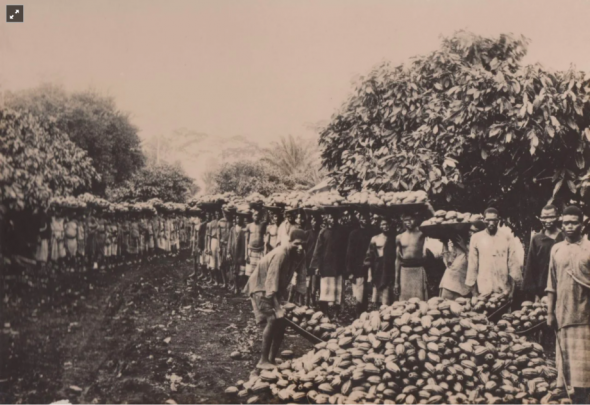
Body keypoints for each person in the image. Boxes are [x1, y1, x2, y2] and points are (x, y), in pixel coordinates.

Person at [244, 229, 307, 370]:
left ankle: (271, 359)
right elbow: (270, 282)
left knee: (282, 322)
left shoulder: (301, 253)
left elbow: (302, 277)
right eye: (297, 244)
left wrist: (301, 304)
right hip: (260, 286)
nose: (300, 247)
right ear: (289, 241)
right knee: (273, 319)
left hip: (276, 287)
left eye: (303, 244)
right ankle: (263, 360)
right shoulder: (280, 254)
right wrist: (278, 308)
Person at [546, 205, 590, 404]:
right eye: (565, 223)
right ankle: (567, 389)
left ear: (583, 223)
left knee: (585, 356)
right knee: (566, 353)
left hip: (585, 312)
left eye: (573, 222)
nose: (569, 227)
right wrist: (550, 312)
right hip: (564, 311)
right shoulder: (556, 249)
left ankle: (583, 394)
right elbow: (551, 284)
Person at [466, 208, 522, 297]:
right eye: (488, 220)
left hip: (503, 290)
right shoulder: (476, 238)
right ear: (484, 220)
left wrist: (512, 291)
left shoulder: (507, 237)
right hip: (483, 290)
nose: (491, 223)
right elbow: (472, 266)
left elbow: (513, 264)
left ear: (498, 220)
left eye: (494, 220)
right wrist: (474, 293)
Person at [523, 205, 564, 302]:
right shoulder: (537, 239)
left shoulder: (564, 237)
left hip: (562, 286)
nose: (548, 220)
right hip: (542, 288)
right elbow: (531, 267)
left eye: (551, 217)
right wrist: (534, 293)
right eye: (544, 217)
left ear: (558, 217)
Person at [310, 211, 347, 315]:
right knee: (325, 290)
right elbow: (318, 250)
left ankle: (336, 311)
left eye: (333, 218)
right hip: (326, 266)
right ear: (326, 219)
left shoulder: (341, 232)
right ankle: (324, 311)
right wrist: (316, 266)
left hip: (338, 265)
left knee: (337, 290)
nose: (332, 220)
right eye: (330, 218)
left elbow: (345, 249)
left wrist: (345, 265)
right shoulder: (323, 232)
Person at [345, 210, 376, 316]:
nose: (365, 220)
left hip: (370, 265)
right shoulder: (354, 233)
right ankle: (359, 313)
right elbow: (349, 253)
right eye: (362, 218)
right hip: (357, 266)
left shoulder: (372, 232)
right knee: (359, 291)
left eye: (366, 218)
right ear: (359, 219)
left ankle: (365, 312)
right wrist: (349, 271)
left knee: (367, 290)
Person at [395, 212, 429, 301]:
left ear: (416, 220)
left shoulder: (422, 233)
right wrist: (396, 282)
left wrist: (429, 207)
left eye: (411, 219)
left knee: (420, 301)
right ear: (402, 221)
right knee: (404, 302)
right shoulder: (399, 237)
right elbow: (398, 260)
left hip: (418, 270)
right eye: (406, 220)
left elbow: (434, 222)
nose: (409, 222)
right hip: (405, 271)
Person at [365, 218, 397, 309]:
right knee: (377, 290)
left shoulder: (394, 238)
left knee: (387, 288)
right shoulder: (375, 238)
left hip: (389, 268)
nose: (385, 226)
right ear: (380, 226)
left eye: (387, 224)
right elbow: (369, 256)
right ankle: (377, 310)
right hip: (377, 267)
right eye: (383, 224)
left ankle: (387, 309)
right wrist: (369, 274)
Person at [227, 210, 248, 293]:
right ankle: (235, 287)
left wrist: (243, 254)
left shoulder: (244, 229)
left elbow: (245, 243)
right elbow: (229, 241)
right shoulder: (232, 229)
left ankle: (241, 286)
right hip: (233, 252)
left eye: (239, 218)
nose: (237, 220)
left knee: (242, 271)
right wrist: (228, 252)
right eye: (236, 218)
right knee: (234, 270)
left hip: (241, 252)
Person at [245, 209, 266, 278]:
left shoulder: (262, 225)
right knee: (250, 272)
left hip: (260, 251)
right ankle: (250, 287)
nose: (256, 217)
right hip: (251, 251)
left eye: (257, 215)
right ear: (252, 216)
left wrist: (264, 252)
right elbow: (246, 240)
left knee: (259, 271)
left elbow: (264, 238)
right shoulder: (249, 226)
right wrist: (246, 254)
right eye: (255, 215)